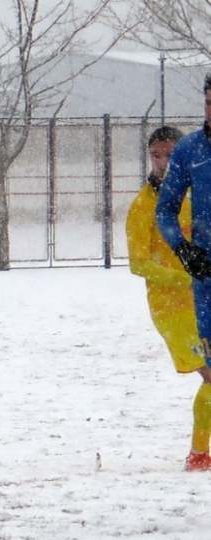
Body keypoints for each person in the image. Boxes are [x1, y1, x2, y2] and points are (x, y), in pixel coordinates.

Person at [128, 125, 208, 469]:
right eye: (156, 155)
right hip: (171, 311)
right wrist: (183, 278)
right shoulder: (144, 206)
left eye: (170, 155)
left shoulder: (191, 196)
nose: (162, 162)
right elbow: (138, 263)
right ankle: (199, 454)